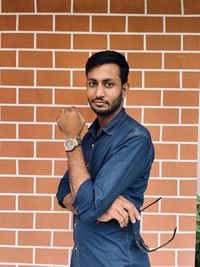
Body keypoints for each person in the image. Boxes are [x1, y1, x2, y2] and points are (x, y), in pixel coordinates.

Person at [56, 50, 154, 267]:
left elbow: (88, 205)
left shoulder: (135, 139)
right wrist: (101, 206)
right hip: (83, 259)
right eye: (92, 83)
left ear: (124, 89)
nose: (98, 92)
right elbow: (63, 191)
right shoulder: (92, 133)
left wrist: (72, 137)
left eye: (108, 84)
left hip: (116, 261)